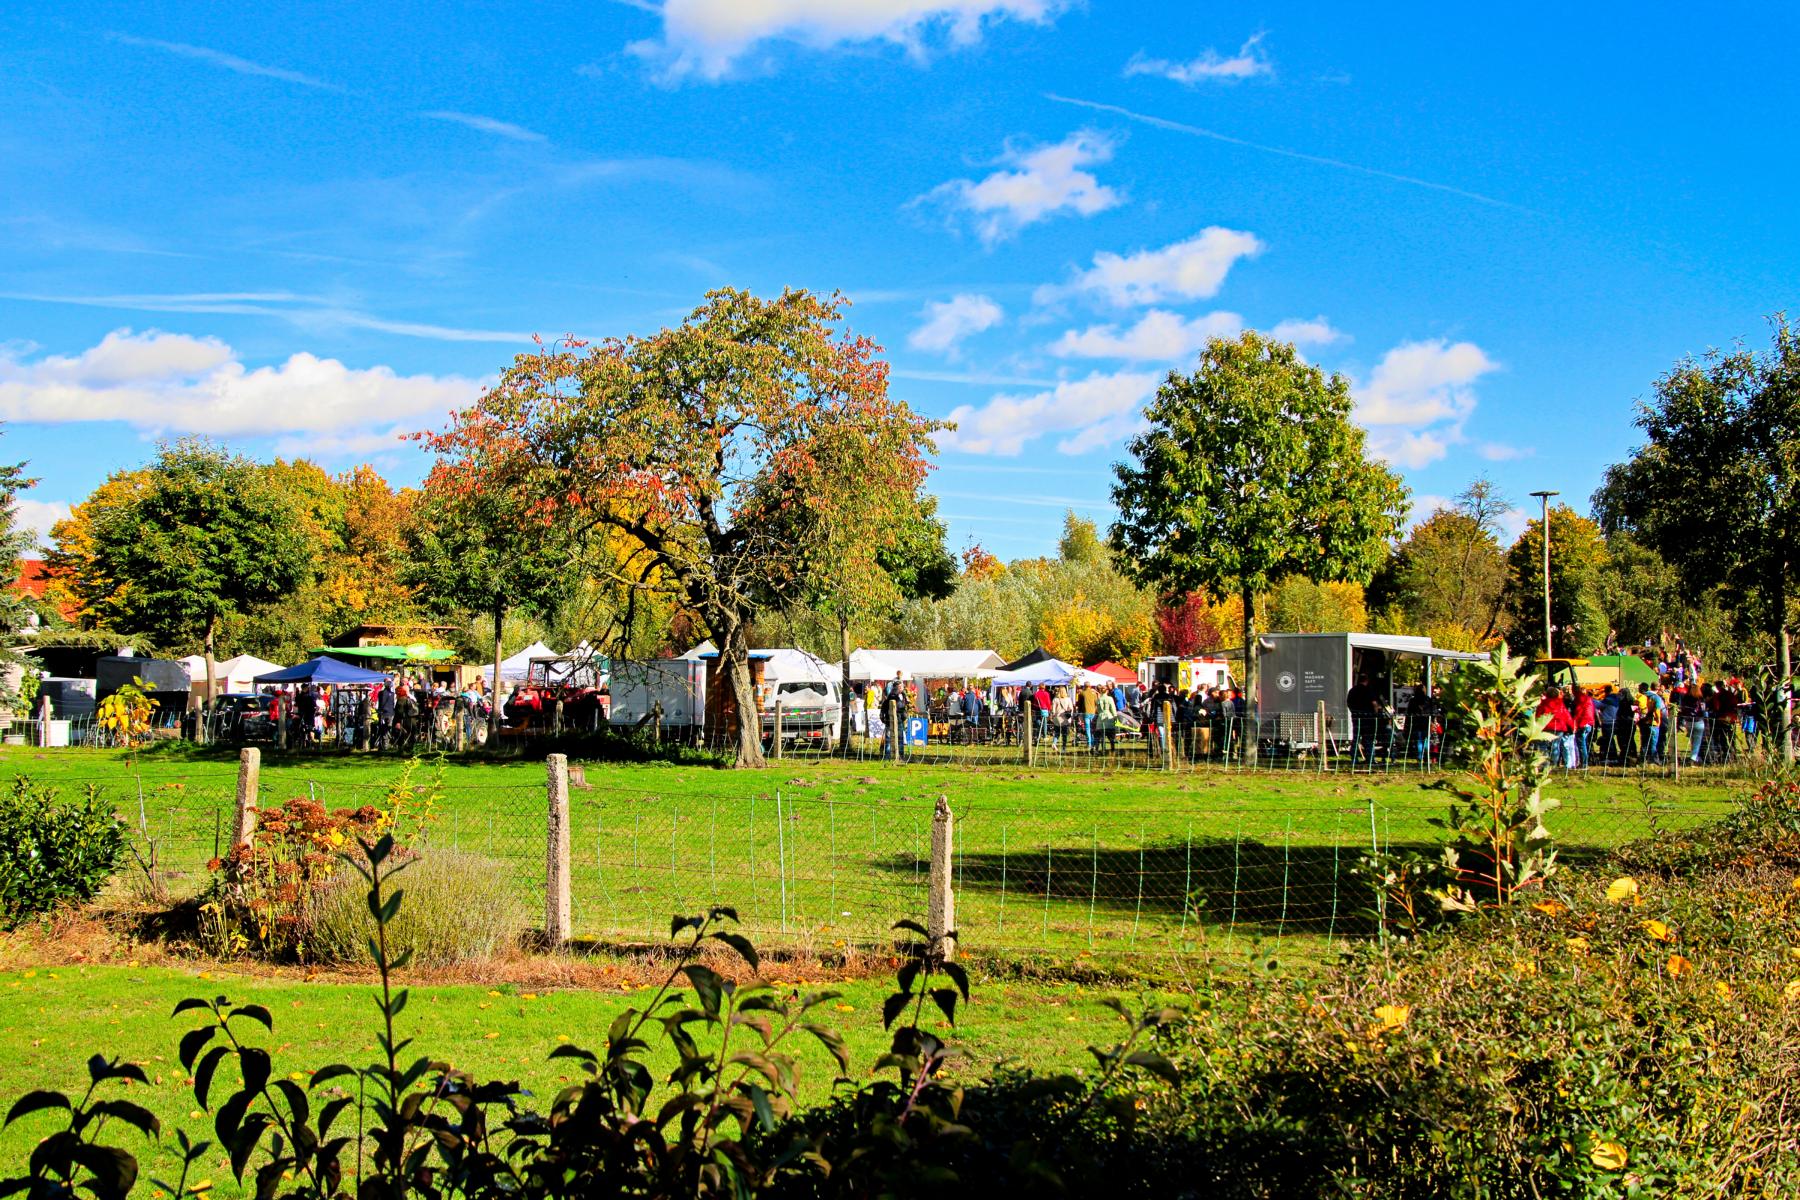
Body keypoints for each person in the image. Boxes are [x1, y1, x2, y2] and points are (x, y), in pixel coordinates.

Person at [1346, 675, 1384, 769]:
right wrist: (1376, 714)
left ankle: (1354, 759)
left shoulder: (1352, 691)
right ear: (1367, 681)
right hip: (1368, 719)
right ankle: (1370, 759)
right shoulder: (1368, 690)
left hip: (1356, 718)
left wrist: (1354, 712)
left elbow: (1348, 703)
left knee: (1356, 739)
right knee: (1368, 740)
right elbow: (1374, 704)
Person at [1573, 687, 1597, 769]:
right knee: (1584, 744)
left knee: (1581, 745)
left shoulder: (1581, 700)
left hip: (1582, 723)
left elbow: (1578, 713)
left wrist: (1575, 724)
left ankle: (1584, 764)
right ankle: (1585, 762)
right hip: (1589, 723)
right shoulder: (1589, 700)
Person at [1095, 685, 1119, 753]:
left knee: (1101, 735)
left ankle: (1102, 749)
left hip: (1100, 718)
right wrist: (1115, 717)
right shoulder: (1110, 698)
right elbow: (1113, 708)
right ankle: (1112, 749)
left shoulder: (1098, 699)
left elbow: (1097, 710)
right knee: (1111, 736)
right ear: (1107, 691)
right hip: (1109, 717)